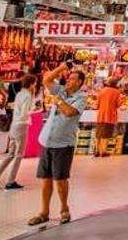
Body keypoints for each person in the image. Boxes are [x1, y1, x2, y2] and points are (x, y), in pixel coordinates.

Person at [29, 62, 88, 226]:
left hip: (63, 143)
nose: (69, 80)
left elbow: (69, 112)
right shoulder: (61, 90)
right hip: (47, 140)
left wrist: (59, 102)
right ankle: (44, 212)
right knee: (45, 179)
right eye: (68, 78)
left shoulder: (81, 97)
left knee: (60, 180)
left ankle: (64, 209)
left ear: (80, 83)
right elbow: (46, 80)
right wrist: (61, 68)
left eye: (73, 79)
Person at [0, 74, 36, 190]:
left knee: (11, 153)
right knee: (19, 154)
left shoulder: (19, 94)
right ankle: (10, 181)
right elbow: (24, 113)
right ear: (31, 84)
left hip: (14, 125)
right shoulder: (28, 95)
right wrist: (34, 110)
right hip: (21, 125)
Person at [93, 77, 122, 157]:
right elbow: (118, 104)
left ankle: (97, 151)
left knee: (99, 134)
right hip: (110, 115)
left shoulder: (101, 91)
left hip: (101, 115)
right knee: (106, 134)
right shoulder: (117, 92)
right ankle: (103, 151)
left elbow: (97, 105)